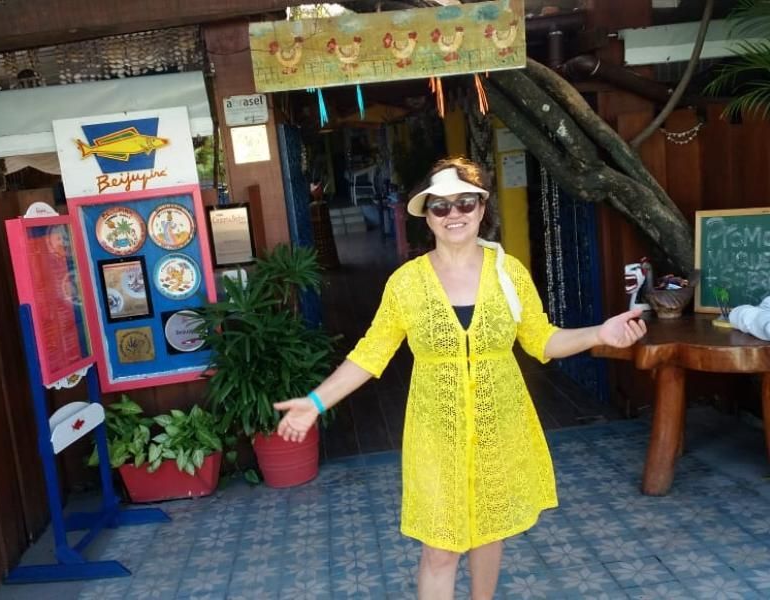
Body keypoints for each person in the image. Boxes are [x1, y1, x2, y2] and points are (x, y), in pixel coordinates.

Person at [274, 157, 646, 600]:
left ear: (481, 208)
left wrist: (599, 333)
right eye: (441, 206)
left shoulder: (509, 273)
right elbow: (370, 354)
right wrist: (315, 402)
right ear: (427, 215)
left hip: (499, 427)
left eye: (465, 203)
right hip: (436, 435)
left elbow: (542, 340)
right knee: (440, 550)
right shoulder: (406, 284)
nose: (454, 214)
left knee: (490, 533)